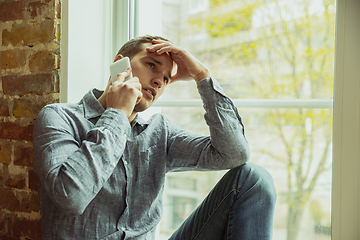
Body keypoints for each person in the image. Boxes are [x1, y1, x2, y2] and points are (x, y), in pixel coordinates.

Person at [33, 35, 276, 240]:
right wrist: (117, 114)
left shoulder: (160, 132)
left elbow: (234, 154)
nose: (160, 80)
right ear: (121, 65)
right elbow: (71, 197)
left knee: (254, 178)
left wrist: (202, 75)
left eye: (167, 78)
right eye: (152, 65)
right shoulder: (59, 117)